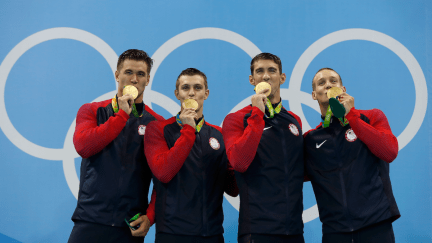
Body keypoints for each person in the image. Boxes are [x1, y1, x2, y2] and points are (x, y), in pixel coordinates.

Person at [68, 49, 163, 243]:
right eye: (128, 72)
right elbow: (84, 147)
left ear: (148, 79)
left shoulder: (157, 124)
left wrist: (151, 216)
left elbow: (163, 178)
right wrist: (121, 115)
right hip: (90, 220)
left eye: (140, 74)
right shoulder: (91, 110)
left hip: (129, 227)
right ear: (117, 75)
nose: (134, 79)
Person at [303, 68, 400, 243]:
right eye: (321, 82)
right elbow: (288, 174)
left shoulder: (371, 117)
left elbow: (389, 151)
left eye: (333, 81)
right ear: (314, 95)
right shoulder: (311, 139)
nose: (328, 85)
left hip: (376, 225)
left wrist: (352, 115)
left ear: (343, 89)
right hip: (335, 232)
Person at [144, 68, 238, 243]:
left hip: (212, 234)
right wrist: (188, 129)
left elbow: (233, 189)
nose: (192, 93)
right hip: (172, 233)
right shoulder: (158, 129)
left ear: (206, 93)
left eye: (197, 88)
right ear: (177, 94)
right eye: (186, 88)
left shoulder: (219, 134)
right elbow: (163, 173)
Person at [222, 53, 305, 243]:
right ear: (252, 80)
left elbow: (299, 168)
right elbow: (239, 163)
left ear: (282, 78)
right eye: (260, 71)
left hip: (293, 230)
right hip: (257, 229)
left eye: (272, 71)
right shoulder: (236, 119)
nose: (266, 76)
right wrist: (257, 113)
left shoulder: (294, 120)